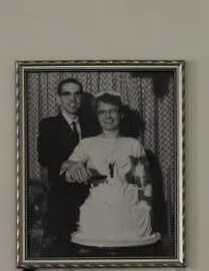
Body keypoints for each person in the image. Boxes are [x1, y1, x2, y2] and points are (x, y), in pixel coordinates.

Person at [61, 93, 157, 247]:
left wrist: (144, 212)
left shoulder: (133, 144)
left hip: (129, 219)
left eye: (112, 111)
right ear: (97, 116)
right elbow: (66, 169)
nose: (108, 116)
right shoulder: (87, 144)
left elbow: (144, 184)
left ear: (121, 114)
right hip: (97, 217)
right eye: (102, 112)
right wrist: (73, 168)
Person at [36, 77, 96, 246]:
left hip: (93, 197)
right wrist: (69, 164)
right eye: (67, 94)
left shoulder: (93, 126)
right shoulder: (48, 125)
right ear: (59, 99)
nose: (72, 98)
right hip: (62, 200)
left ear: (81, 98)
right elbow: (45, 158)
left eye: (77, 94)